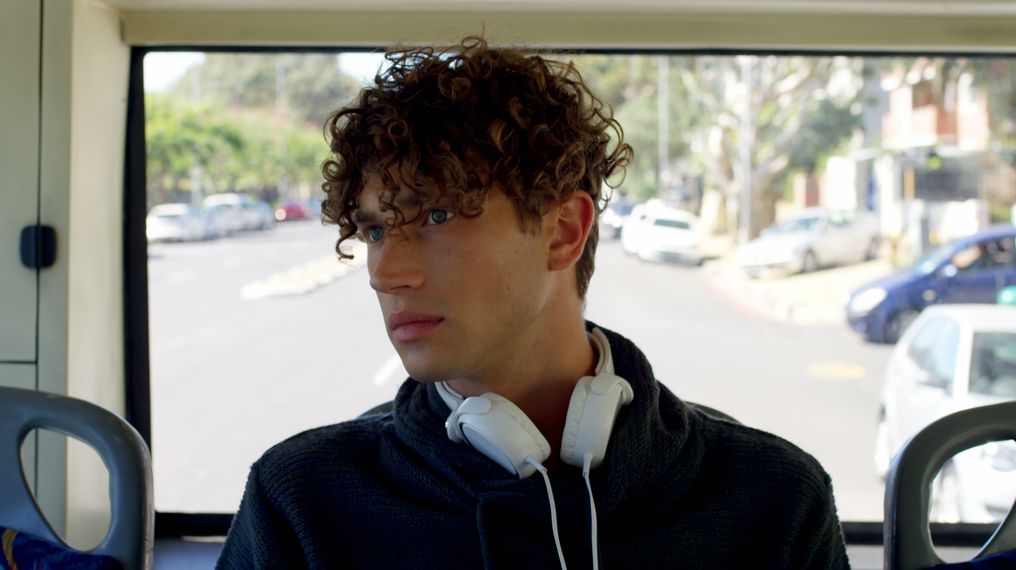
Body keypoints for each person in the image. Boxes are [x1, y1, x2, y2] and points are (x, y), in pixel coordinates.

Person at [218, 36, 850, 569]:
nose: (386, 271)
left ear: (563, 231)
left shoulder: (773, 501)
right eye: (376, 228)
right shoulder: (301, 503)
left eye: (437, 214)